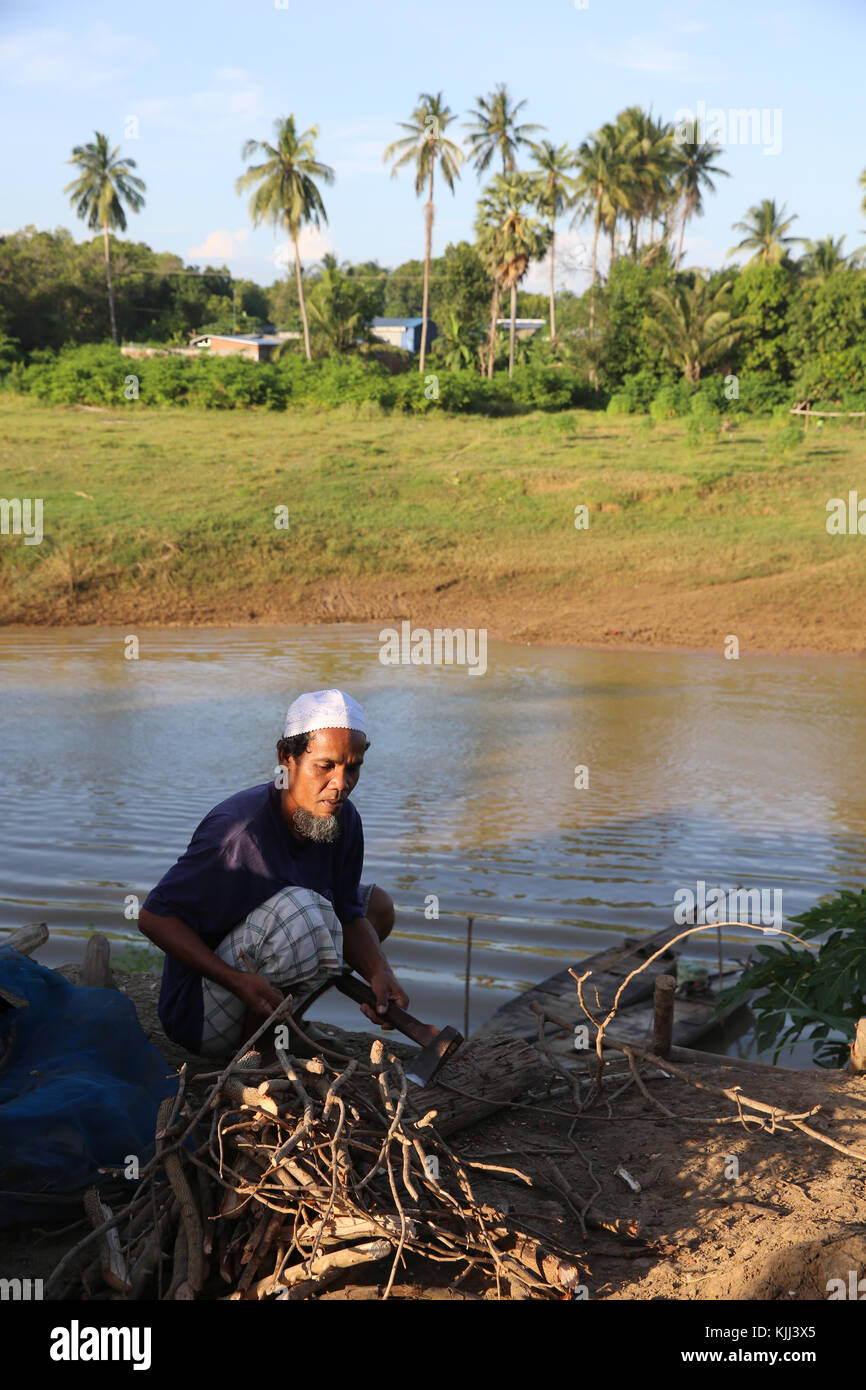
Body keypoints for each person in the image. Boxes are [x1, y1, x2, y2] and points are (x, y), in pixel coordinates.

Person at [138, 689, 408, 1058]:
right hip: (202, 1011)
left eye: (353, 767)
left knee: (375, 906)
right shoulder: (238, 831)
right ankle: (258, 1054)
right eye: (325, 766)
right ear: (286, 757)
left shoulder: (344, 819)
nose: (341, 784)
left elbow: (349, 913)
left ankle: (284, 1027)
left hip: (262, 985)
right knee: (302, 912)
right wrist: (236, 981)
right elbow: (153, 917)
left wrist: (379, 972)